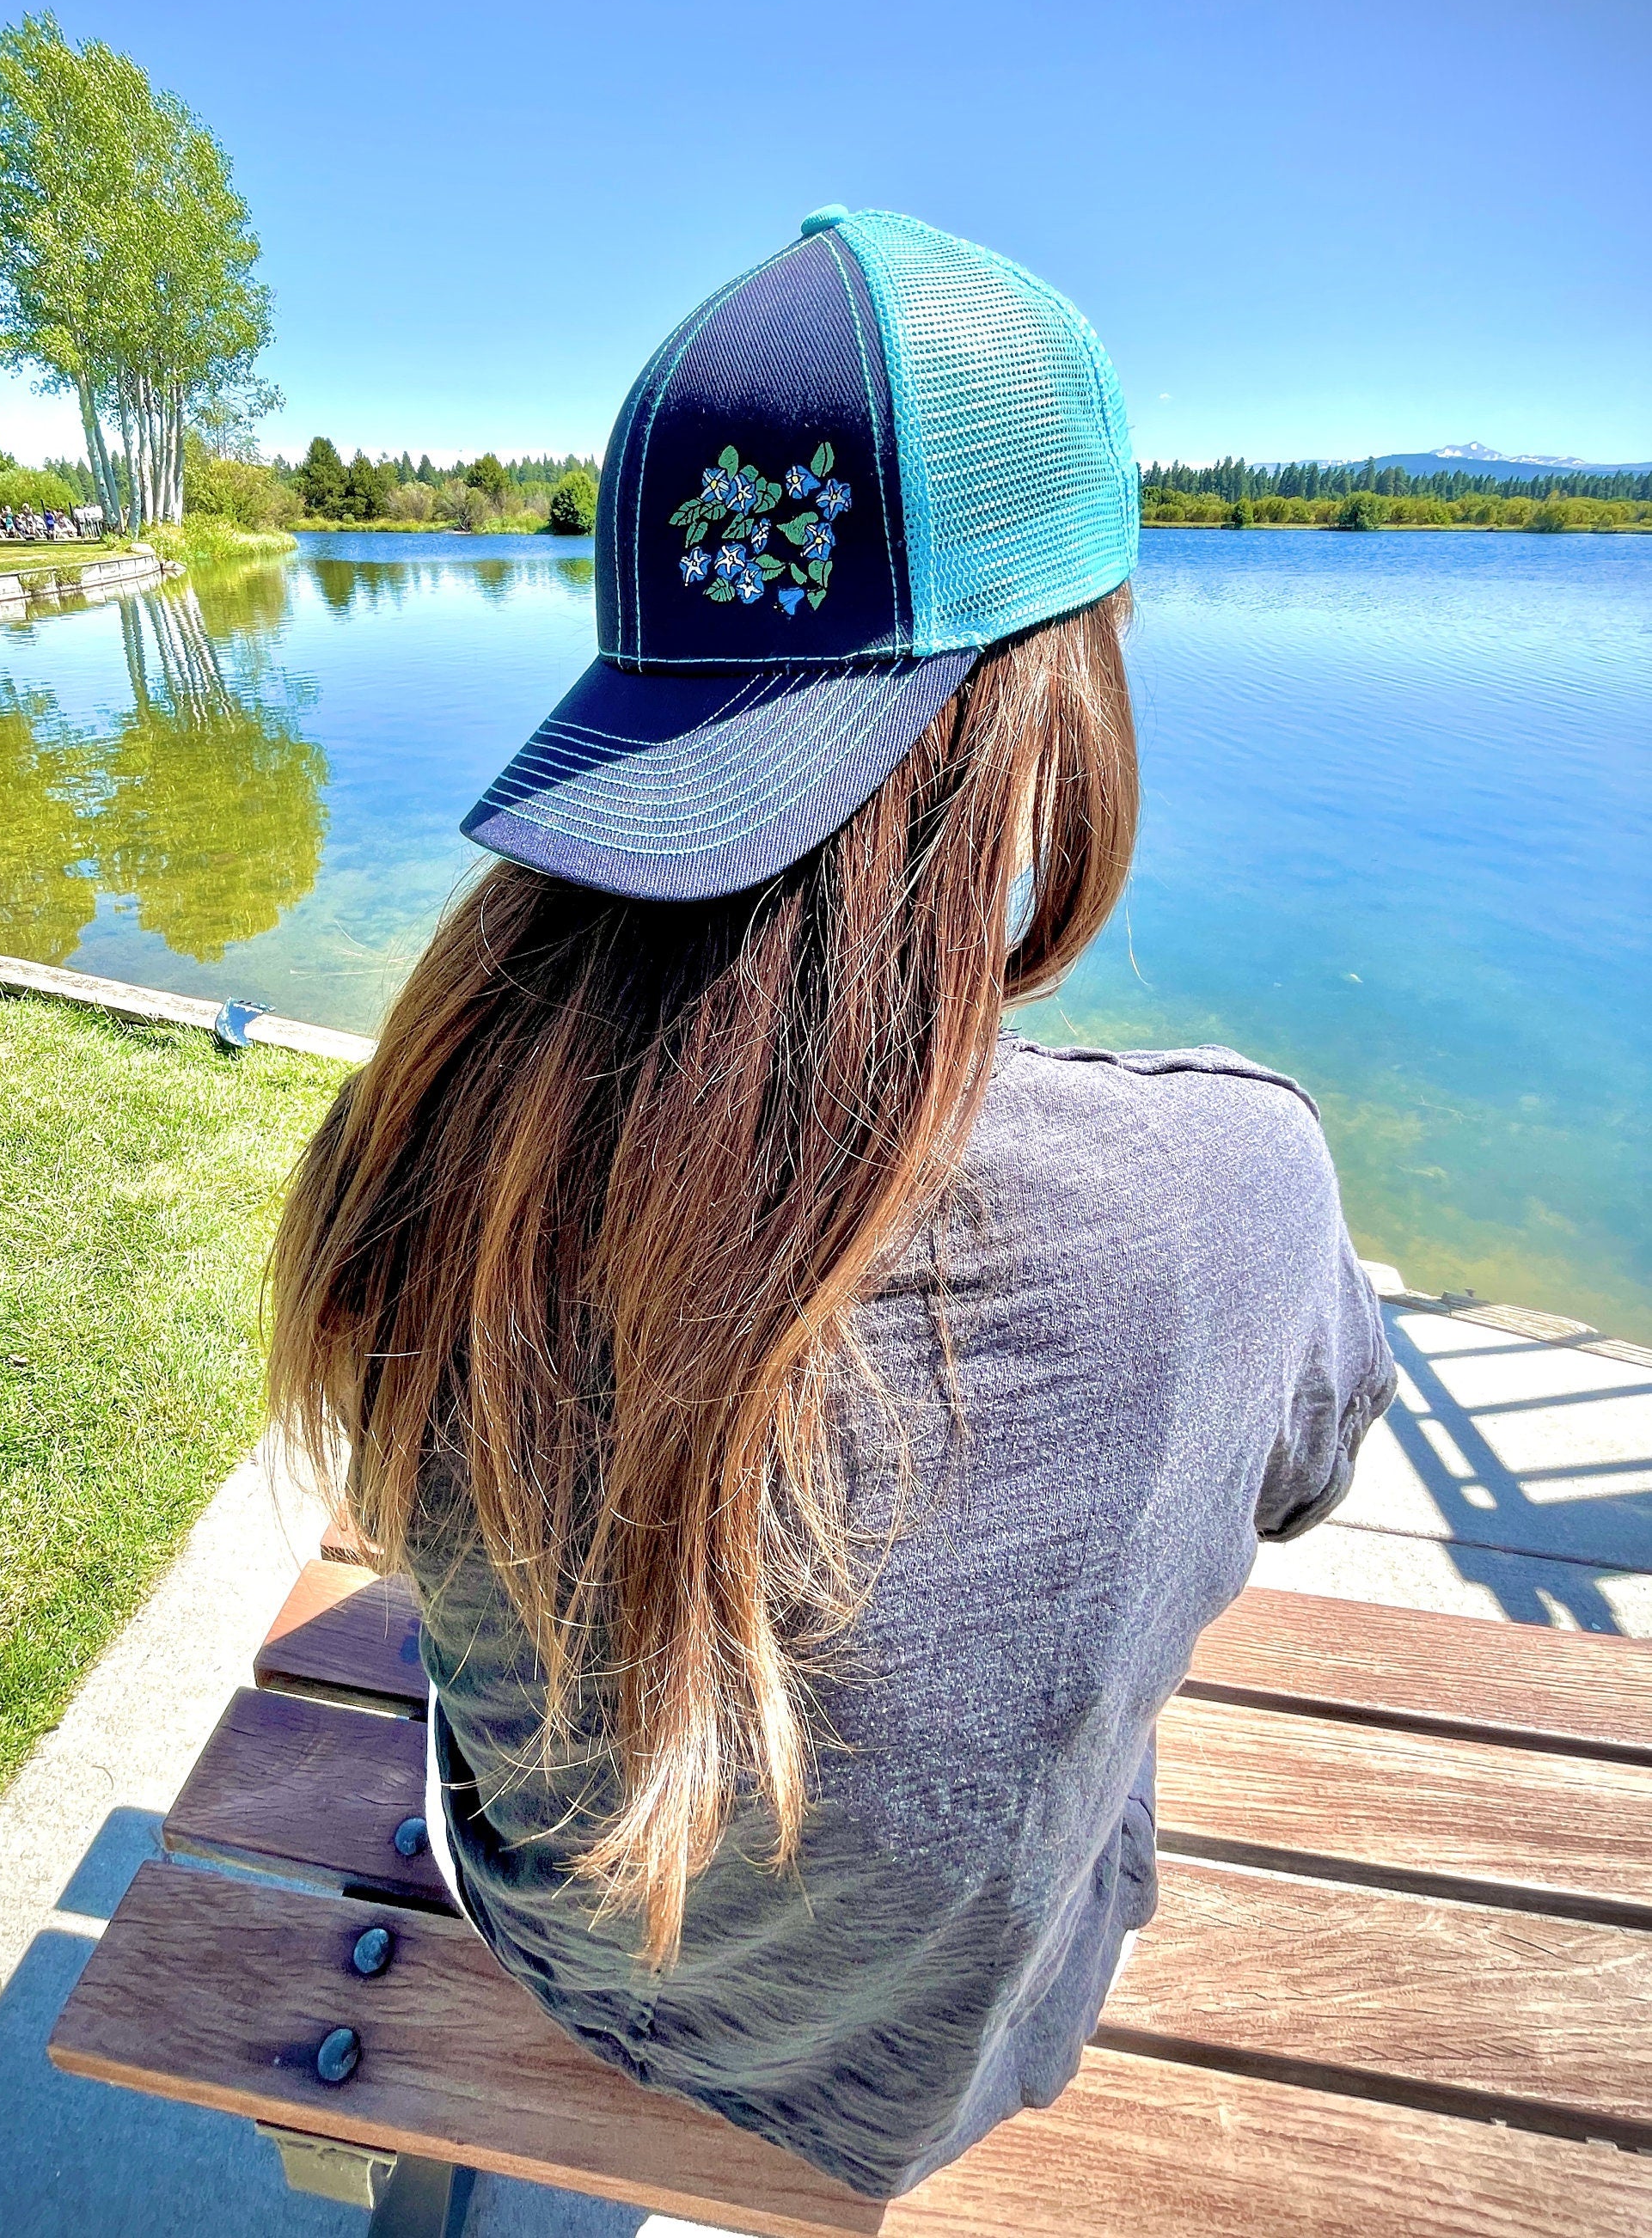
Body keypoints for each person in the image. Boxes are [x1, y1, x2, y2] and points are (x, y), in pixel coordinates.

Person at [267, 206, 1394, 2205]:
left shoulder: (414, 1134)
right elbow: (1298, 1480)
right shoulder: (1235, 1186)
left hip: (560, 1953)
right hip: (945, 2073)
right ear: (1060, 703)